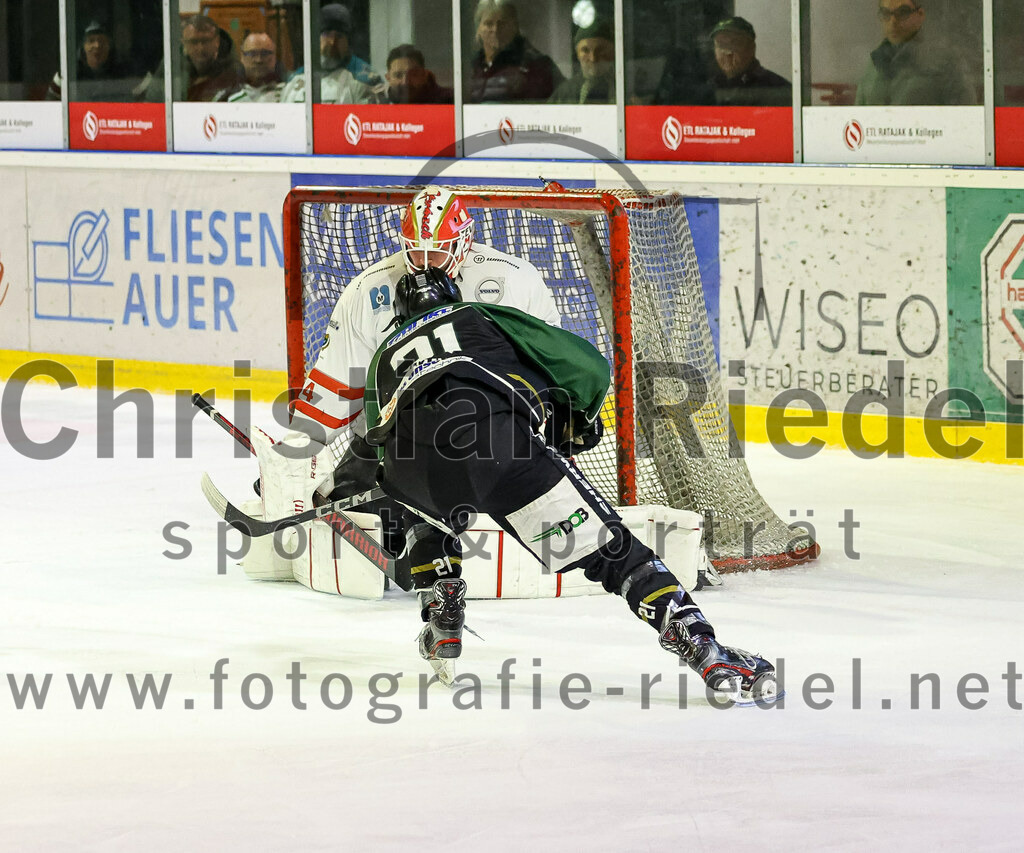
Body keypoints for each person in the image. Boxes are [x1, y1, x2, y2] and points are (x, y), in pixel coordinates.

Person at [358, 265, 778, 702]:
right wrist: (579, 417)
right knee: (610, 552)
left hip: (414, 471)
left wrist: (357, 488)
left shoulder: (381, 357)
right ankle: (702, 646)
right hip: (498, 447)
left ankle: (441, 610)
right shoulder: (476, 313)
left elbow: (373, 445)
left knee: (422, 513)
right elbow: (584, 364)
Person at [253, 188, 561, 630]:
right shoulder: (370, 289)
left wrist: (550, 444)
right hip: (397, 438)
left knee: (512, 498)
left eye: (438, 252)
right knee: (342, 504)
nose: (424, 262)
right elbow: (336, 384)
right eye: (415, 251)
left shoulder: (514, 282)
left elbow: (548, 369)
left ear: (465, 242)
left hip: (494, 435)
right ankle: (420, 546)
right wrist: (292, 455)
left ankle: (432, 536)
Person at [855, 0, 975, 105]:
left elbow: (965, 118)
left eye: (903, 12)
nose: (893, 22)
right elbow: (859, 115)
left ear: (920, 15)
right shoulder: (874, 63)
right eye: (886, 13)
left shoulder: (946, 63)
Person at [280, 4, 383, 104]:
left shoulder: (366, 78)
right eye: (327, 34)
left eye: (339, 36)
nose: (333, 42)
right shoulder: (297, 78)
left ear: (348, 41)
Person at [467, 0, 565, 103]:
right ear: (478, 28)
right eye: (488, 24)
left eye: (502, 23)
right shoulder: (470, 66)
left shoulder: (536, 64)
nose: (495, 29)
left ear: (515, 27)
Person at [708, 17, 791, 107]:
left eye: (735, 43)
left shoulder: (776, 89)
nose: (727, 52)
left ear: (751, 48)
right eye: (721, 45)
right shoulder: (710, 89)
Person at [46, 19, 134, 101]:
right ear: (83, 47)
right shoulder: (68, 73)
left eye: (102, 41)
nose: (97, 45)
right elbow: (50, 105)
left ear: (109, 46)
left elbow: (144, 100)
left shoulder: (124, 72)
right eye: (91, 41)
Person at [549, 18, 615, 105]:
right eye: (585, 50)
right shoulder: (564, 93)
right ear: (577, 54)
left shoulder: (625, 89)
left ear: (612, 52)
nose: (593, 58)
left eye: (600, 50)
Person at [180, 15, 242, 102]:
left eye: (206, 41)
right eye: (193, 42)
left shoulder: (233, 71)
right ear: (184, 43)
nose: (200, 48)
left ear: (217, 41)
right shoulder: (174, 68)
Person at [384, 44, 454, 104]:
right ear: (388, 78)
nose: (405, 82)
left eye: (413, 74)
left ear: (424, 75)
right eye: (398, 75)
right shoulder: (379, 104)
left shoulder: (448, 101)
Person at [228, 33, 285, 103]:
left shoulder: (288, 94)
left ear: (274, 57)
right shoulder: (230, 99)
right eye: (252, 54)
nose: (259, 60)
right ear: (242, 57)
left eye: (265, 53)